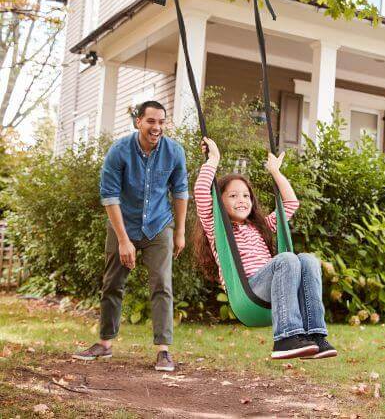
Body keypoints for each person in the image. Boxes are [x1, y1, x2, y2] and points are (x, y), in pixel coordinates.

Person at [193, 137, 336, 360]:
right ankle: (285, 338)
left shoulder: (260, 226)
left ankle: (316, 335)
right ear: (219, 202)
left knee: (308, 259)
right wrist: (213, 159)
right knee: (287, 259)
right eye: (232, 196)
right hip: (248, 293)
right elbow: (201, 193)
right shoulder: (217, 227)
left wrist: (275, 172)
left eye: (246, 195)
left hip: (278, 288)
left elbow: (290, 204)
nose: (241, 200)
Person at [73, 101, 189, 372]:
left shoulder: (174, 152)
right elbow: (109, 196)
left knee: (162, 284)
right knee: (112, 283)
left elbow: (181, 192)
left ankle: (163, 351)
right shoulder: (119, 151)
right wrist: (123, 240)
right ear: (138, 121)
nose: (157, 127)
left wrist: (180, 231)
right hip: (123, 223)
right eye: (151, 121)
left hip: (159, 226)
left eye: (161, 122)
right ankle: (104, 343)